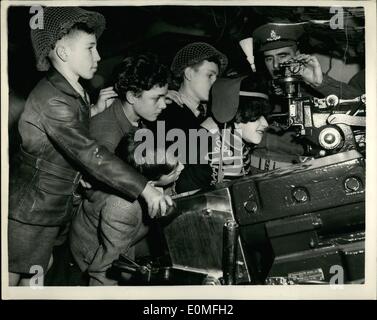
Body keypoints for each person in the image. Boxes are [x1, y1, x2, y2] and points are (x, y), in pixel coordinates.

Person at [8, 7, 171, 286]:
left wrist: (92, 111)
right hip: (32, 211)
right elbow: (90, 154)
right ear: (62, 52)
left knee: (36, 273)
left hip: (50, 207)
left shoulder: (70, 90)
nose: (98, 56)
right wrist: (144, 187)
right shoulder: (54, 100)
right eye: (91, 48)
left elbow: (66, 133)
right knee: (12, 279)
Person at [70, 130, 184, 285]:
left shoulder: (149, 174)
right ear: (150, 184)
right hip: (95, 251)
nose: (182, 167)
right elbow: (104, 270)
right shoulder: (122, 207)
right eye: (174, 170)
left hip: (131, 234)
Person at [176, 76, 272, 193]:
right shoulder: (201, 149)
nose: (266, 123)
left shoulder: (235, 140)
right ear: (236, 112)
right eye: (256, 116)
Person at [252, 23, 365, 100]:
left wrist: (319, 83)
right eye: (269, 59)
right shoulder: (260, 93)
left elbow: (364, 105)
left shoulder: (316, 87)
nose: (275, 65)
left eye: (282, 55)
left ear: (297, 55)